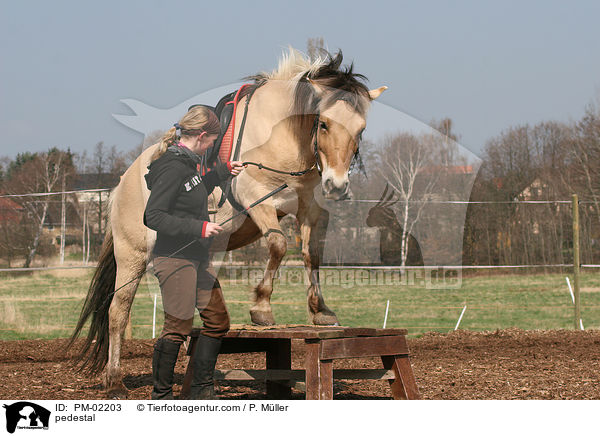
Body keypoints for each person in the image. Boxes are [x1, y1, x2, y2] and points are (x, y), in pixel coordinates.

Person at [143, 105, 245, 400]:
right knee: (178, 326)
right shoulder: (173, 167)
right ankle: (161, 397)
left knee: (217, 320)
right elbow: (153, 216)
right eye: (213, 140)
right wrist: (198, 228)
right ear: (202, 136)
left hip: (197, 259)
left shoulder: (190, 165)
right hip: (174, 258)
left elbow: (195, 187)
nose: (213, 145)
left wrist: (223, 172)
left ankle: (200, 389)